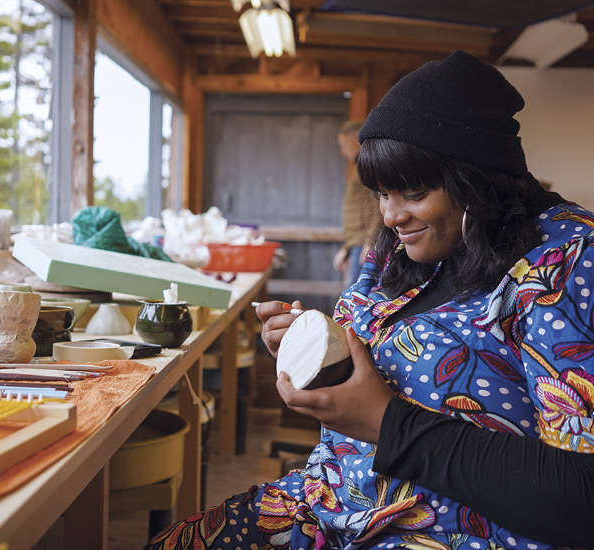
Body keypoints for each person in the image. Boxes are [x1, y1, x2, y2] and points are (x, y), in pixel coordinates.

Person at [144, 50, 594, 550]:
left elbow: (582, 498)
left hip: (445, 533)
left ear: (477, 177)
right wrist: (317, 348)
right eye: (381, 193)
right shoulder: (402, 247)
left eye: (413, 191)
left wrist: (389, 424)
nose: (392, 215)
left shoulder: (570, 263)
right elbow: (374, 346)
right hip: (326, 503)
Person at [333, 120, 379, 288]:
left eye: (344, 145)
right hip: (357, 242)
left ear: (356, 142)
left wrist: (371, 240)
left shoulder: (369, 167)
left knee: (355, 296)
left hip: (364, 242)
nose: (342, 152)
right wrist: (346, 246)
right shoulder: (359, 167)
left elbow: (379, 205)